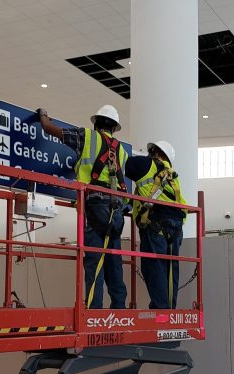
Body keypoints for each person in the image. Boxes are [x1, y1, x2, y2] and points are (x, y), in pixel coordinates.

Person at [37, 105, 129, 309]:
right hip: (117, 213)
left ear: (96, 123)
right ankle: (119, 310)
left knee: (94, 262)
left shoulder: (87, 136)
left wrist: (43, 116)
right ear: (114, 128)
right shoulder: (122, 150)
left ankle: (94, 313)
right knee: (114, 263)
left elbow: (51, 130)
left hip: (96, 208)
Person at [124, 141, 186, 309]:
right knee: (170, 271)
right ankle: (170, 308)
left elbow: (128, 165)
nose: (149, 154)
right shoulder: (173, 176)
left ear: (157, 153)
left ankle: (161, 308)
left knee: (154, 268)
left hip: (156, 224)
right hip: (176, 227)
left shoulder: (148, 165)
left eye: (152, 151)